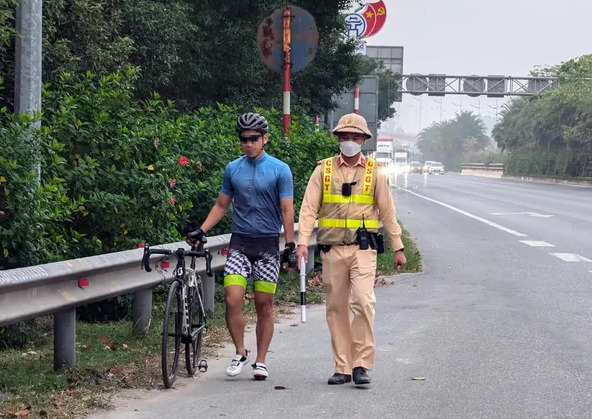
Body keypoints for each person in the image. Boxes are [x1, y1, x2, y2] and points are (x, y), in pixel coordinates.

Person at [295, 113, 406, 386]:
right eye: (344, 136)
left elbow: (387, 212)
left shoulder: (374, 172)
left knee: (363, 302)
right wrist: (301, 243)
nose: (349, 141)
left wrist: (398, 246)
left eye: (354, 137)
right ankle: (342, 367)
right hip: (332, 250)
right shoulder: (323, 170)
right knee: (336, 307)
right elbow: (309, 209)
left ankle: (361, 364)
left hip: (363, 248)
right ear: (337, 139)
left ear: (364, 140)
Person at [186, 112, 295, 381]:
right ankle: (239, 351)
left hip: (268, 246)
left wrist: (290, 244)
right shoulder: (233, 168)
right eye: (243, 139)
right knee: (232, 300)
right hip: (240, 244)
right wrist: (202, 229)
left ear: (265, 139)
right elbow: (222, 205)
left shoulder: (280, 169)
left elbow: (287, 209)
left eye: (254, 139)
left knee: (263, 304)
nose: (248, 144)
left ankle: (261, 360)